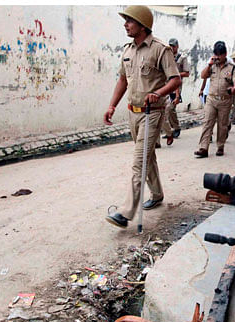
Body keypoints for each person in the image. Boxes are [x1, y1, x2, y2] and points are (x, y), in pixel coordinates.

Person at [103, 5, 181, 228]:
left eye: (130, 21)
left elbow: (175, 80)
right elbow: (122, 80)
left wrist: (157, 93)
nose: (125, 24)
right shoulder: (127, 50)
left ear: (142, 25)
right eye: (125, 20)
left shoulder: (160, 50)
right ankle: (157, 195)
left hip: (152, 114)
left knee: (139, 162)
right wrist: (112, 106)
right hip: (133, 113)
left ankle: (125, 213)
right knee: (148, 157)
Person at [194, 41, 235, 158]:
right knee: (207, 123)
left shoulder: (232, 67)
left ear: (225, 54)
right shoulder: (212, 66)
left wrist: (234, 88)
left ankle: (220, 146)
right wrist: (209, 65)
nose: (218, 57)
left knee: (222, 124)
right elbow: (203, 76)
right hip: (211, 99)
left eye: (220, 55)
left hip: (225, 100)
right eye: (216, 54)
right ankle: (203, 148)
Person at [161, 38, 190, 140]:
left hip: (176, 86)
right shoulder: (166, 56)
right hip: (165, 85)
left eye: (173, 46)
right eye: (170, 46)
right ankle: (169, 130)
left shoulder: (182, 58)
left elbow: (187, 73)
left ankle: (176, 128)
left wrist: (175, 74)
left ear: (177, 46)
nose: (172, 48)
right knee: (165, 108)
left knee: (170, 107)